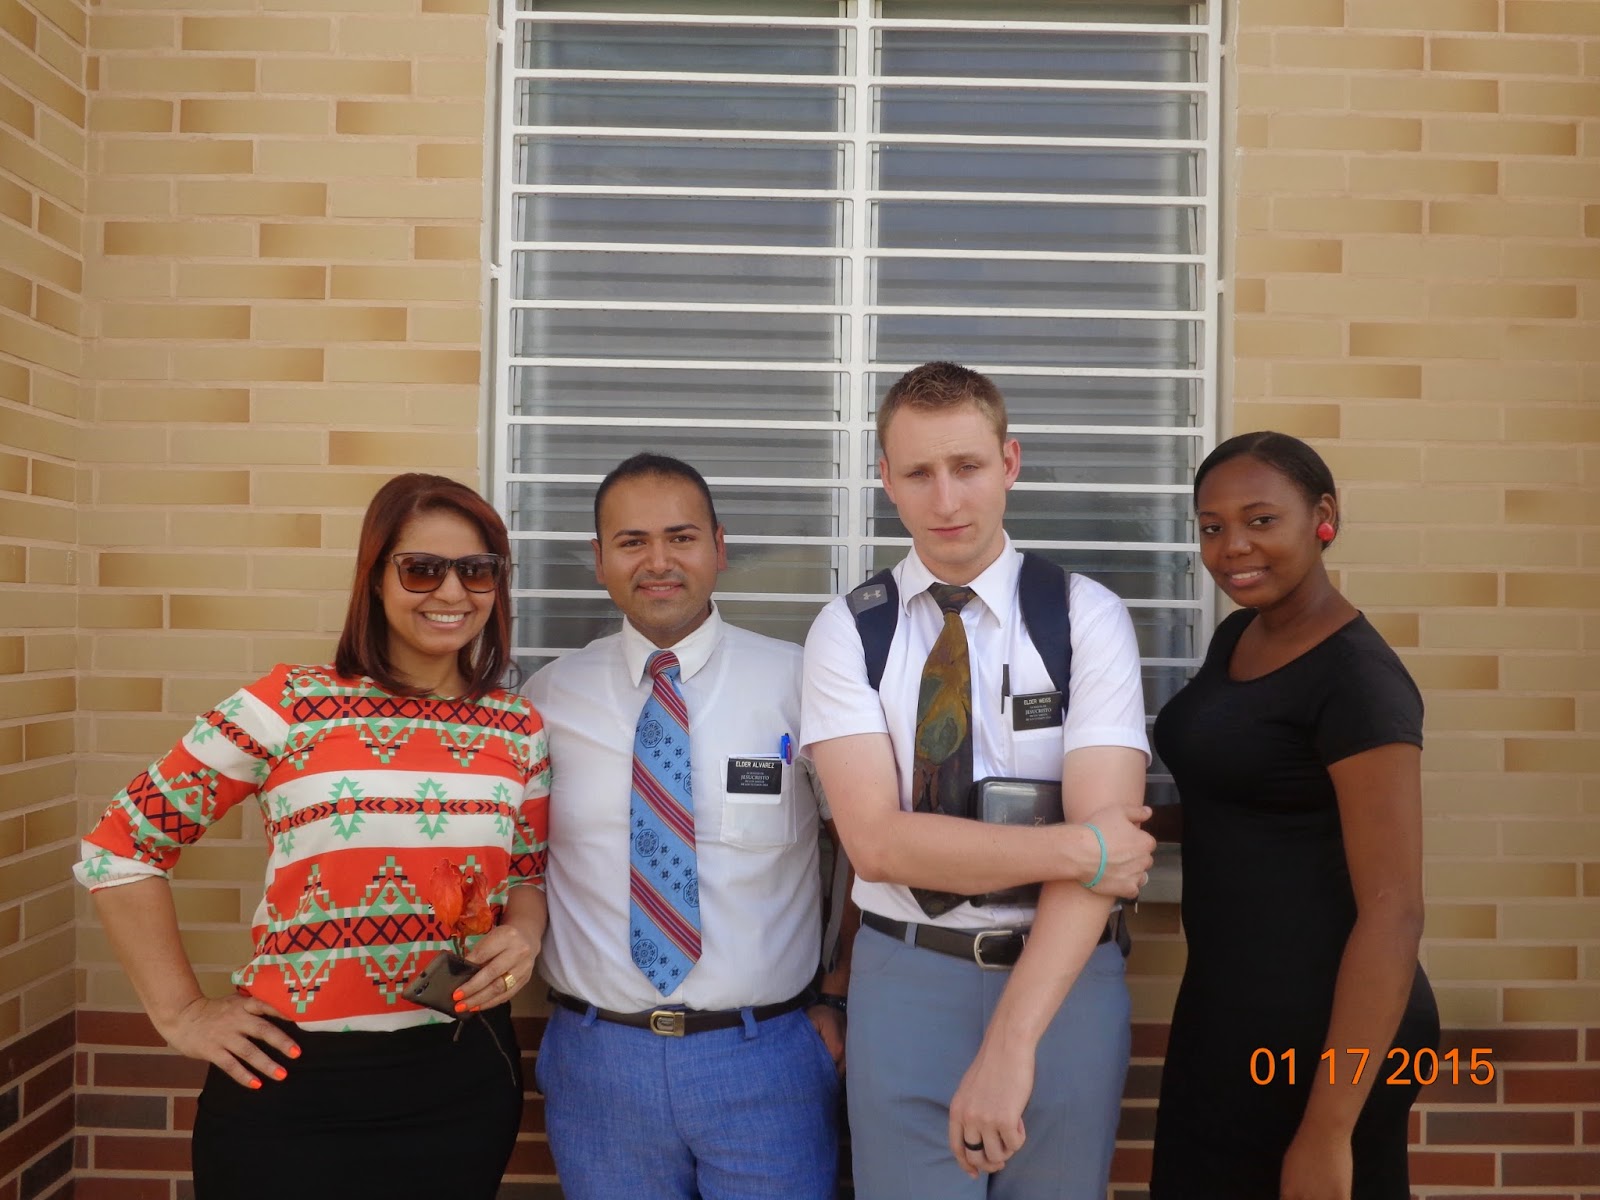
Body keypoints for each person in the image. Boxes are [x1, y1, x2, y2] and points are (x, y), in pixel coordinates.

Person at [74, 474, 549, 1200]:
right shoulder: (287, 705)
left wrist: (525, 934)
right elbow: (120, 846)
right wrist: (181, 1013)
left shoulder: (519, 729)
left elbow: (525, 877)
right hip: (291, 1077)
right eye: (422, 569)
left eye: (476, 570)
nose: (452, 592)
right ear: (375, 579)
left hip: (462, 1073)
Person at [802, 361, 1157, 1199]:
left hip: (1065, 976)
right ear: (885, 479)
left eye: (967, 466)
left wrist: (1011, 1044)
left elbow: (1107, 862)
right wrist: (1078, 847)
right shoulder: (850, 631)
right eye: (919, 473)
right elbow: (877, 846)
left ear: (1010, 462)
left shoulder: (1083, 617)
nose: (947, 499)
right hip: (906, 978)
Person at [524, 453, 848, 1200]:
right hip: (599, 1063)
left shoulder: (799, 684)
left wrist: (836, 995)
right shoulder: (548, 700)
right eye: (632, 541)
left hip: (767, 1055)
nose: (659, 562)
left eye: (681, 537)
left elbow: (865, 849)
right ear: (599, 559)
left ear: (719, 547)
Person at [1148, 431, 1439, 1200]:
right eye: (1212, 527)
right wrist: (1103, 831)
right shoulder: (1239, 636)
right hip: (1228, 1013)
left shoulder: (1359, 682)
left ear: (1323, 517)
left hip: (1327, 1040)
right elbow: (1242, 801)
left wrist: (1329, 1130)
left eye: (1261, 520)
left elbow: (1395, 912)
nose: (1233, 547)